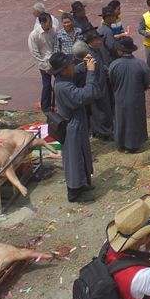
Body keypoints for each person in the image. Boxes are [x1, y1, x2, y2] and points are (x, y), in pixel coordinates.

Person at [50, 51, 102, 203]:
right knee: (74, 158)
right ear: (64, 69)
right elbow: (85, 95)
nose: (73, 66)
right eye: (71, 65)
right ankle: (74, 190)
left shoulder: (63, 78)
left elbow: (76, 72)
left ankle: (83, 182)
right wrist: (91, 72)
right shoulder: (63, 86)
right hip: (71, 125)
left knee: (82, 154)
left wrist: (84, 64)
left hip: (77, 122)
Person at [108, 38, 150, 153]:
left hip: (120, 98)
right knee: (135, 120)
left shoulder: (114, 65)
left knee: (121, 120)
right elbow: (147, 82)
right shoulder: (141, 64)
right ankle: (134, 144)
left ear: (120, 51)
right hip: (136, 98)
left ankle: (121, 143)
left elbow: (111, 81)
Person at [84, 29, 114, 140]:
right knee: (100, 111)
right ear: (90, 42)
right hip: (97, 87)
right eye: (95, 40)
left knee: (103, 109)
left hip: (102, 84)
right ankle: (104, 132)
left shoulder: (97, 51)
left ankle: (99, 130)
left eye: (99, 39)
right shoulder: (88, 55)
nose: (99, 42)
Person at [28, 12, 58, 115]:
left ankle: (55, 104)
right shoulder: (34, 35)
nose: (50, 25)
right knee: (47, 85)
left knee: (59, 83)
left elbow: (56, 45)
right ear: (42, 23)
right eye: (48, 22)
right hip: (43, 63)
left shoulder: (53, 30)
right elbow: (35, 53)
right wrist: (45, 65)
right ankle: (46, 107)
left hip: (54, 60)